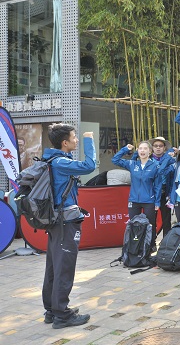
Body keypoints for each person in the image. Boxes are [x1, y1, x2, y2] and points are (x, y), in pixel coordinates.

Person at [42, 124, 96, 329]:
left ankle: (52, 310)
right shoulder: (61, 162)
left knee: (53, 266)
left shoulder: (52, 159)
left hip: (56, 220)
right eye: (74, 137)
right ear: (65, 143)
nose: (76, 140)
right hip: (65, 221)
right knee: (64, 267)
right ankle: (62, 315)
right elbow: (90, 166)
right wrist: (89, 140)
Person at [112, 141, 166, 248]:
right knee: (133, 224)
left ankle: (151, 245)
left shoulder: (155, 166)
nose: (142, 151)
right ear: (137, 151)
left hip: (149, 200)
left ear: (150, 151)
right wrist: (125, 149)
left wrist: (157, 202)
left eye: (145, 149)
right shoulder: (132, 164)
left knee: (150, 224)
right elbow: (115, 160)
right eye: (140, 148)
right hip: (134, 200)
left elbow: (158, 185)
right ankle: (135, 247)